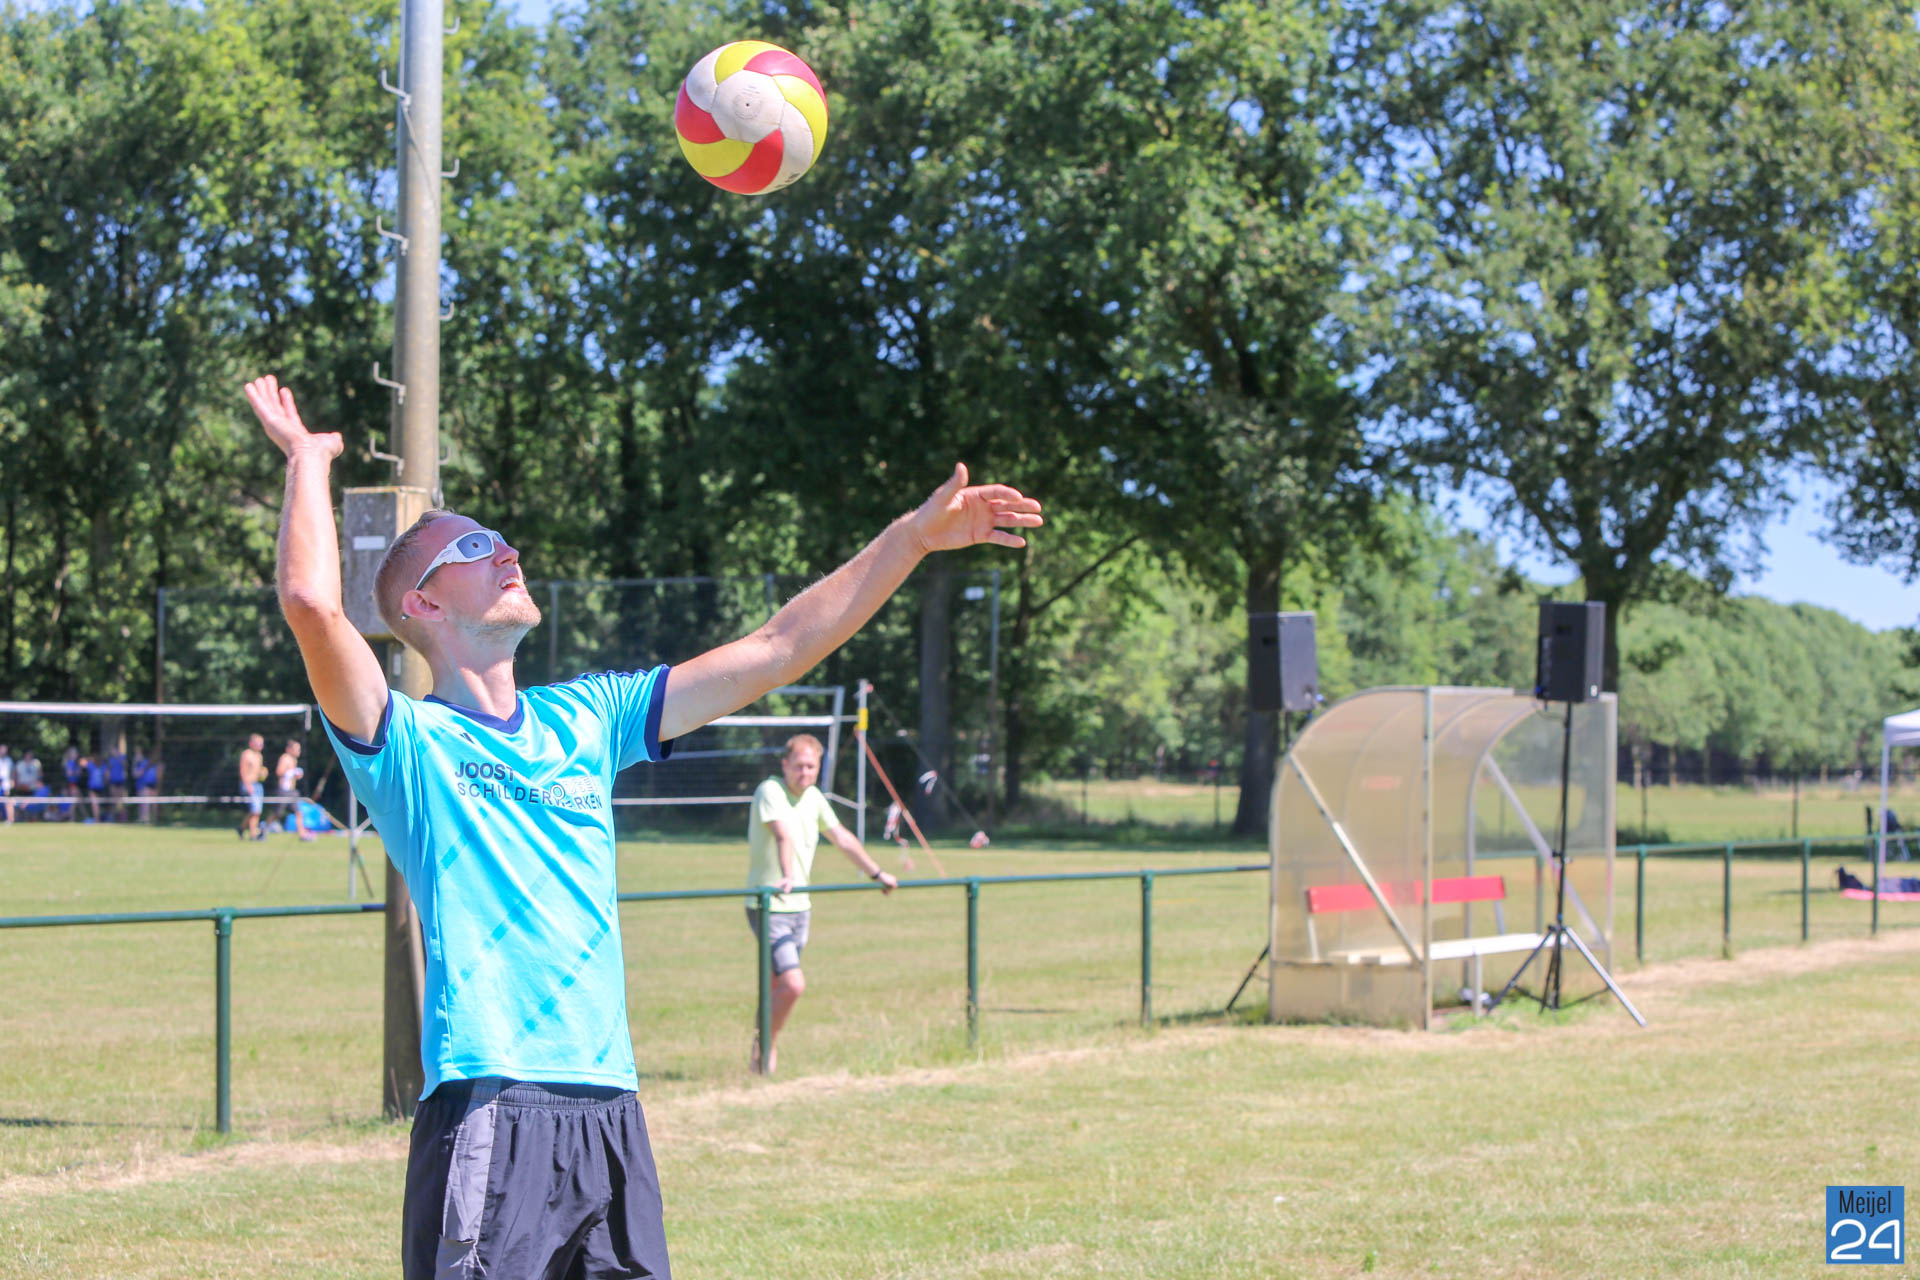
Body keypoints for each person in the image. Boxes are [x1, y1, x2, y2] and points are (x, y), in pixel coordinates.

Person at [243, 373, 1040, 1280]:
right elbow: (313, 605)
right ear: (423, 604)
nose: (508, 553)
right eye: (474, 546)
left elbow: (777, 649)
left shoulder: (588, 716)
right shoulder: (408, 745)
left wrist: (912, 540)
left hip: (612, 1107)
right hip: (492, 1099)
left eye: (503, 540)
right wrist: (308, 458)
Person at [745, 733, 896, 1075]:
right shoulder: (770, 790)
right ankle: (765, 1047)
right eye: (799, 765)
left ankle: (759, 1060)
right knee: (792, 984)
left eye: (811, 766)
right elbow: (782, 834)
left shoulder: (813, 797)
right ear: (785, 764)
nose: (805, 772)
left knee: (775, 986)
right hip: (770, 905)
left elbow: (841, 837)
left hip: (801, 907)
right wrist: (787, 875)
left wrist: (876, 873)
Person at [274, 739, 313, 841]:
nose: (298, 752)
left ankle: (302, 835)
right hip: (283, 790)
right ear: (289, 749)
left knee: (298, 813)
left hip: (292, 791)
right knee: (277, 814)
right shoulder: (285, 758)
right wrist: (292, 773)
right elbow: (279, 772)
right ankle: (264, 828)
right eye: (296, 749)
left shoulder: (294, 760)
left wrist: (296, 774)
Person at [236, 733, 267, 841]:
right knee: (255, 810)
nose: (260, 745)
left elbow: (257, 771)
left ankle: (242, 828)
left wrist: (262, 773)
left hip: (258, 785)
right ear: (251, 743)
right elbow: (242, 771)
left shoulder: (259, 756)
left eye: (261, 743)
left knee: (257, 811)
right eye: (258, 743)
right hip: (249, 784)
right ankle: (253, 835)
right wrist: (247, 785)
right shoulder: (246, 754)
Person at [133, 749, 159, 824]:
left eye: (138, 754)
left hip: (146, 786)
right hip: (143, 786)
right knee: (144, 804)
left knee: (145, 804)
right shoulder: (144, 763)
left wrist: (134, 763)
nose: (136, 756)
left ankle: (146, 820)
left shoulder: (144, 763)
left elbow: (136, 774)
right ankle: (145, 819)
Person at [0, 743, 13, 824]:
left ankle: (10, 819)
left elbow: (12, 772)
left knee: (7, 801)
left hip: (6, 784)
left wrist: (12, 780)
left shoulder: (9, 760)